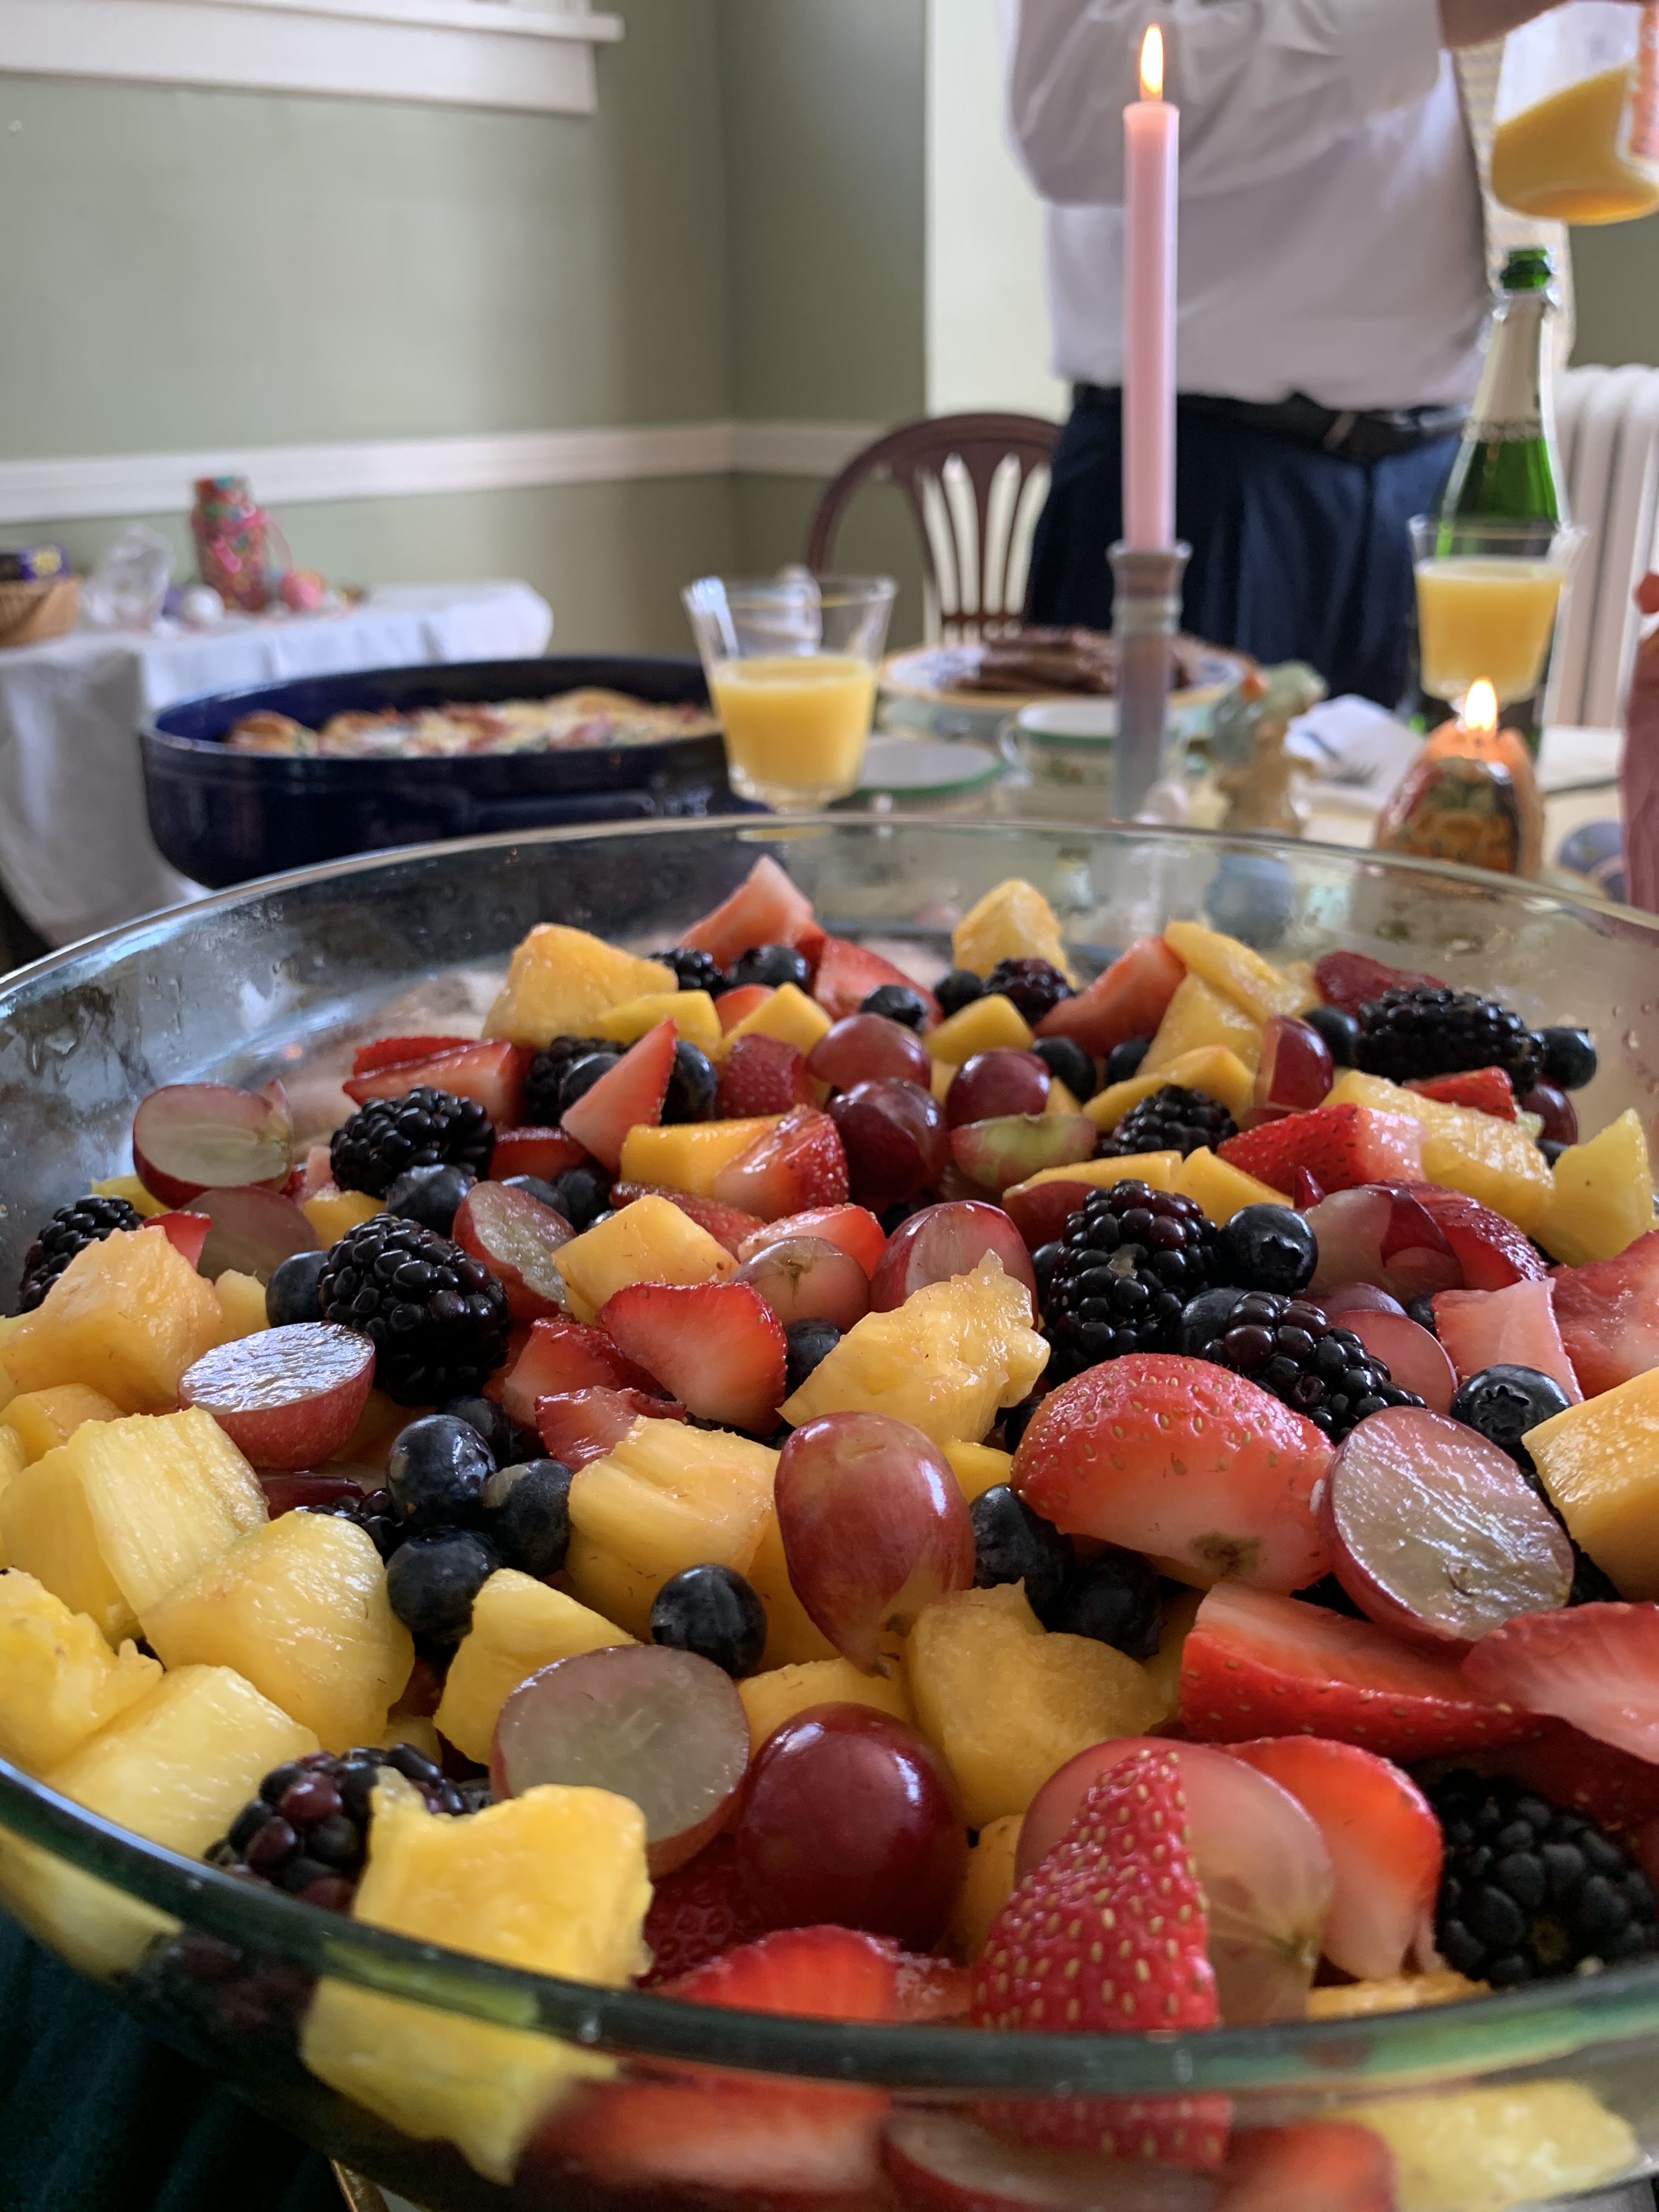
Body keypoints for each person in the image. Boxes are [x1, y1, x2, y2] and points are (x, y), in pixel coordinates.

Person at [1004, 0, 1578, 707]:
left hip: (1452, 467)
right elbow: (1070, 111)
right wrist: (1421, 16)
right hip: (1204, 485)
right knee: (1149, 779)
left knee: (1454, 781)